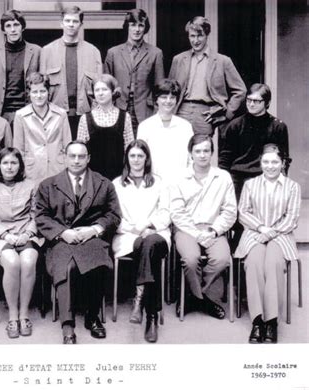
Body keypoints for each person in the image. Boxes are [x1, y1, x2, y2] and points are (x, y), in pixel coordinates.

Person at [35, 141, 121, 344]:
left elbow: (114, 215)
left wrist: (94, 230)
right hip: (61, 240)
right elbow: (41, 217)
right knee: (66, 267)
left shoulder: (103, 183)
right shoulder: (48, 185)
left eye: (81, 156)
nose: (76, 160)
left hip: (91, 238)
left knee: (97, 262)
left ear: (88, 158)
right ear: (65, 157)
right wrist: (62, 232)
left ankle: (92, 317)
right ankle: (67, 324)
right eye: (72, 156)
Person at [235, 144, 300, 344]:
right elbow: (243, 212)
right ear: (260, 162)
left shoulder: (292, 186)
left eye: (274, 162)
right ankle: (257, 320)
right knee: (253, 263)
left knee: (273, 264)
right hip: (255, 233)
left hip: (281, 235)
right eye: (265, 162)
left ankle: (271, 321)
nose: (270, 166)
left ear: (282, 163)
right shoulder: (250, 184)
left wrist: (271, 233)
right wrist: (262, 228)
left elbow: (292, 218)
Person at [170, 134, 237, 319]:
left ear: (212, 153)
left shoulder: (223, 177)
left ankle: (193, 296)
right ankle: (203, 300)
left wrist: (214, 230)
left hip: (213, 228)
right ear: (191, 153)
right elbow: (176, 212)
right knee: (191, 260)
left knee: (222, 260)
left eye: (206, 150)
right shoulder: (179, 177)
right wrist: (196, 233)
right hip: (186, 229)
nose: (202, 155)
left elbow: (230, 211)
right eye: (197, 151)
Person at [112, 140, 170, 342]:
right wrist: (135, 229)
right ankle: (151, 316)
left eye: (140, 156)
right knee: (147, 249)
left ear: (147, 159)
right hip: (128, 236)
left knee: (150, 243)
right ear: (127, 158)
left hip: (156, 234)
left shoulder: (159, 182)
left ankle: (139, 301)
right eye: (132, 156)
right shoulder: (116, 184)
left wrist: (148, 226)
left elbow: (165, 214)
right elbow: (113, 217)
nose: (136, 160)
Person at [0, 148, 43, 338]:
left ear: (20, 166)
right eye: (5, 163)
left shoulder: (31, 185)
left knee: (28, 261)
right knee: (12, 261)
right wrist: (6, 235)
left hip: (26, 234)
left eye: (14, 163)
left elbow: (37, 216)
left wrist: (27, 234)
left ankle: (24, 314)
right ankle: (12, 315)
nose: (9, 167)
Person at [169, 16, 246, 136]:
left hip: (205, 114)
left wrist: (227, 115)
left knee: (202, 151)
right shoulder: (178, 59)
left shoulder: (222, 61)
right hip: (181, 110)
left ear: (207, 35)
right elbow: (170, 89)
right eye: (192, 36)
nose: (196, 40)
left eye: (200, 36)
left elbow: (241, 91)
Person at [219, 83, 290, 200]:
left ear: (267, 103)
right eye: (249, 100)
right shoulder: (235, 125)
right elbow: (225, 159)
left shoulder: (278, 127)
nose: (251, 104)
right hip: (238, 179)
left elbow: (284, 159)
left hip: (266, 177)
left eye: (256, 101)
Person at [40, 6, 102, 139]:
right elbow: (41, 88)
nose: (71, 25)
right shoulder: (47, 51)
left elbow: (99, 88)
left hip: (86, 116)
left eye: (75, 21)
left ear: (81, 24)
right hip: (55, 114)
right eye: (67, 21)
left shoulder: (93, 52)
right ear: (61, 23)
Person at [104, 9, 164, 133]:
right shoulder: (113, 53)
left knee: (142, 147)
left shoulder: (155, 53)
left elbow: (160, 88)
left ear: (145, 28)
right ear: (127, 27)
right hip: (118, 108)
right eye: (133, 25)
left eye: (141, 25)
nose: (137, 29)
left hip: (144, 110)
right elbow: (106, 86)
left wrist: (157, 111)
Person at [0, 10, 41, 128]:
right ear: (3, 30)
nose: (13, 29)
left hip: (28, 111)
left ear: (23, 27)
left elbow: (42, 83)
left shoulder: (36, 51)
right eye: (8, 26)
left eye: (16, 25)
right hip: (0, 113)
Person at [13, 72, 72, 185]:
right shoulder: (20, 116)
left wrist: (65, 167)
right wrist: (23, 171)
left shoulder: (61, 114)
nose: (39, 96)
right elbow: (18, 149)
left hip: (57, 170)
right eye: (34, 92)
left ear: (48, 92)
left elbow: (67, 146)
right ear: (28, 93)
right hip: (32, 172)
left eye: (42, 91)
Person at [77, 74, 134, 180]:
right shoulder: (85, 118)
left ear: (113, 92)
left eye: (104, 89)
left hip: (118, 176)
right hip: (93, 178)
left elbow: (129, 149)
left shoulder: (125, 117)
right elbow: (80, 151)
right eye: (97, 90)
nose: (100, 93)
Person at [137, 79, 193, 186]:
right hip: (153, 184)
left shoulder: (185, 126)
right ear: (156, 99)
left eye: (172, 97)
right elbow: (141, 158)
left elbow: (191, 159)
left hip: (180, 184)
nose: (168, 101)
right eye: (164, 97)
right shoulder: (145, 126)